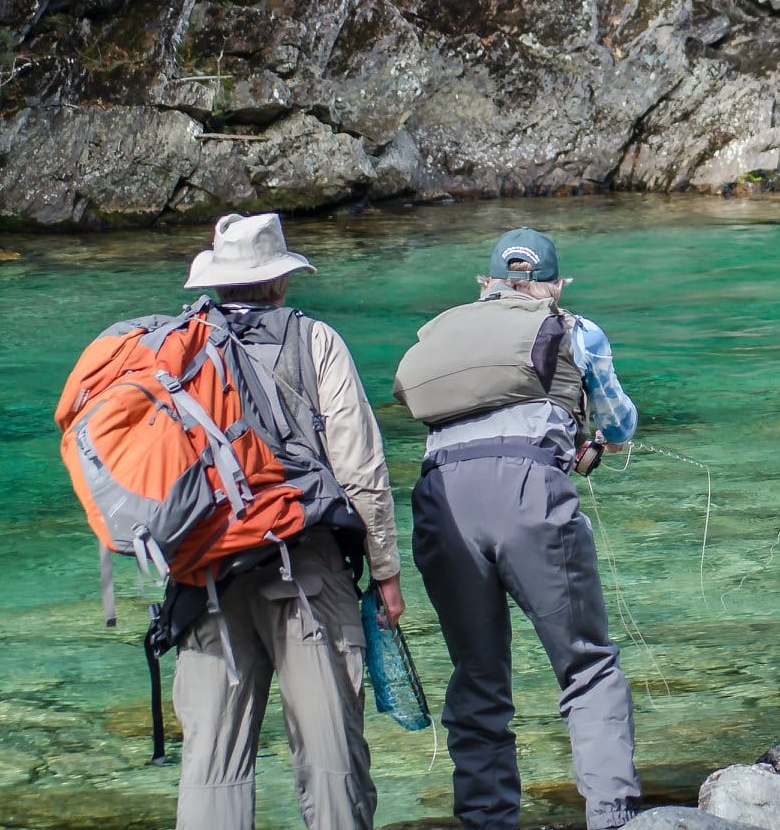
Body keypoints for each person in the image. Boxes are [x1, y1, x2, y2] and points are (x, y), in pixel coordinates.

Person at [172, 212, 405, 830]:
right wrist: (385, 569)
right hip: (301, 566)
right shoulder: (315, 341)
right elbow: (359, 466)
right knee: (331, 759)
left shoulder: (180, 348)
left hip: (205, 576)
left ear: (217, 283)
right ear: (280, 281)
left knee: (211, 767)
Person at [404, 227, 642, 830]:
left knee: (478, 677)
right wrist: (594, 442)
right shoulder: (576, 330)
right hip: (529, 493)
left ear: (486, 285)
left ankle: (487, 821)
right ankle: (611, 817)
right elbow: (619, 423)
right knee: (586, 666)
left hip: (438, 500)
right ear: (555, 286)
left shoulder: (446, 330)